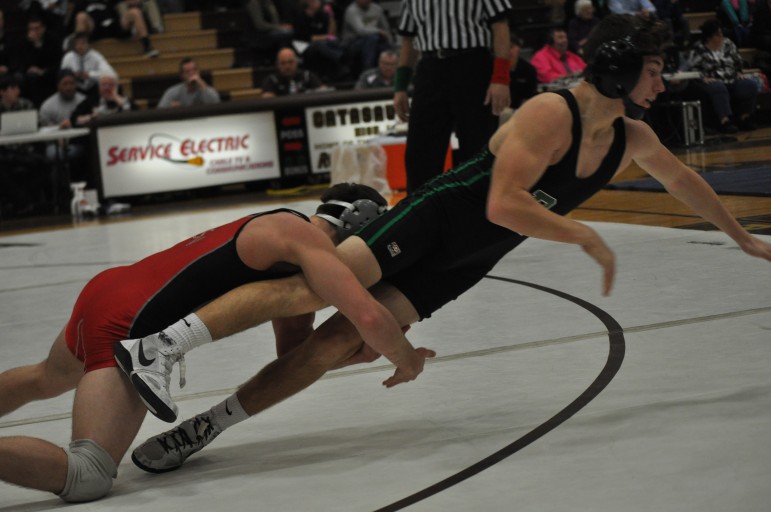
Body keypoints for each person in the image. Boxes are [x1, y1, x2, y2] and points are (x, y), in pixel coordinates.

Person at [124, 13, 771, 475]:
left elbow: (683, 181)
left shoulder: (629, 136)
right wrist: (581, 234)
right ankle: (161, 345)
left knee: (331, 345)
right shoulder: (550, 113)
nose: (661, 84)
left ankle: (205, 428)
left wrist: (741, 238)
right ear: (617, 71)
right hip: (434, 218)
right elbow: (501, 202)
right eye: (653, 72)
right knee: (308, 288)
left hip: (469, 260)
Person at [0, 184, 432, 502]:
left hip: (110, 290)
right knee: (87, 475)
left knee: (44, 378)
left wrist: (359, 353)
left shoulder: (291, 243)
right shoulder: (309, 244)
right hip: (130, 325)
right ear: (360, 226)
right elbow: (368, 314)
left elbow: (296, 358)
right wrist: (395, 350)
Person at [394, 0, 513, 194]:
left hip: (471, 64)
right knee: (420, 150)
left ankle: (478, 213)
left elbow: (500, 26)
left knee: (478, 146)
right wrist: (400, 87)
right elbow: (408, 39)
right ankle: (419, 214)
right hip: (430, 66)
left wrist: (501, 78)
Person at [688, 19, 758, 132]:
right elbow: (692, 67)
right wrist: (702, 78)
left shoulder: (728, 44)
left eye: (721, 34)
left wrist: (739, 72)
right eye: (717, 35)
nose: (721, 37)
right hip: (712, 80)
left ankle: (745, 118)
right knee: (718, 87)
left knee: (749, 84)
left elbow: (738, 61)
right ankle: (724, 121)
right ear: (709, 37)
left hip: (731, 78)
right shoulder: (699, 48)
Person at [72, 0, 159, 57]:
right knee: (81, 16)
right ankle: (80, 51)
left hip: (113, 24)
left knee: (135, 12)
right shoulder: (83, 2)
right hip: (95, 28)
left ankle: (147, 46)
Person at [13, 16, 62, 107]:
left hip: (48, 71)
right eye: (31, 29)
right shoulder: (24, 41)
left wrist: (43, 71)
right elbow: (19, 61)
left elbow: (56, 61)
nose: (34, 32)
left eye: (37, 28)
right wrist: (34, 44)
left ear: (43, 28)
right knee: (23, 77)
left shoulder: (52, 40)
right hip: (29, 73)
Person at [293, 0, 346, 82]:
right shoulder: (301, 16)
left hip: (322, 43)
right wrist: (325, 37)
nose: (320, 3)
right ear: (309, 3)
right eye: (316, 1)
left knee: (333, 41)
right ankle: (340, 58)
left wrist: (331, 16)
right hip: (303, 46)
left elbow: (331, 34)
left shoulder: (321, 14)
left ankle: (339, 60)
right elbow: (307, 37)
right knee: (320, 44)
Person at [341, 0, 393, 77]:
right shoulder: (351, 10)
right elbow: (361, 30)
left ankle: (388, 74)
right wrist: (378, 31)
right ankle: (368, 71)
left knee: (384, 45)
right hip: (353, 43)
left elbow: (385, 28)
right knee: (372, 38)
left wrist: (390, 42)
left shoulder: (377, 8)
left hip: (374, 41)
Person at [60, 31, 117, 102]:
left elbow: (112, 75)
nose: (80, 46)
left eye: (83, 43)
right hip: (75, 90)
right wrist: (72, 76)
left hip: (93, 90)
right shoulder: (68, 57)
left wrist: (90, 75)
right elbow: (61, 78)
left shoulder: (96, 56)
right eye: (77, 43)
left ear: (88, 44)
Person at [260, 47, 324, 97]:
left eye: (290, 62)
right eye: (283, 63)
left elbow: (323, 91)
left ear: (296, 62)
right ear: (277, 65)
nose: (287, 66)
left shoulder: (307, 76)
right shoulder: (271, 80)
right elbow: (267, 99)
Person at [508, 36, 538, 109]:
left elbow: (530, 96)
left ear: (519, 48)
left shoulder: (529, 69)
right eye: (504, 48)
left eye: (511, 47)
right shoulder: (493, 68)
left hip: (521, 109)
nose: (508, 51)